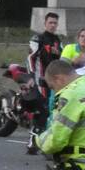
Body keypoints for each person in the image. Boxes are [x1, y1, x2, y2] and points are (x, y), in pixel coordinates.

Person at [26, 12, 64, 154]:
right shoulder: (38, 38)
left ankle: (46, 142)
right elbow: (30, 57)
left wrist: (58, 53)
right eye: (50, 22)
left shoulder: (58, 41)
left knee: (53, 112)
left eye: (55, 23)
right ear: (45, 23)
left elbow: (63, 59)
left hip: (55, 81)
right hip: (40, 78)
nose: (53, 25)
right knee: (42, 110)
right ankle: (32, 142)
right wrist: (30, 76)